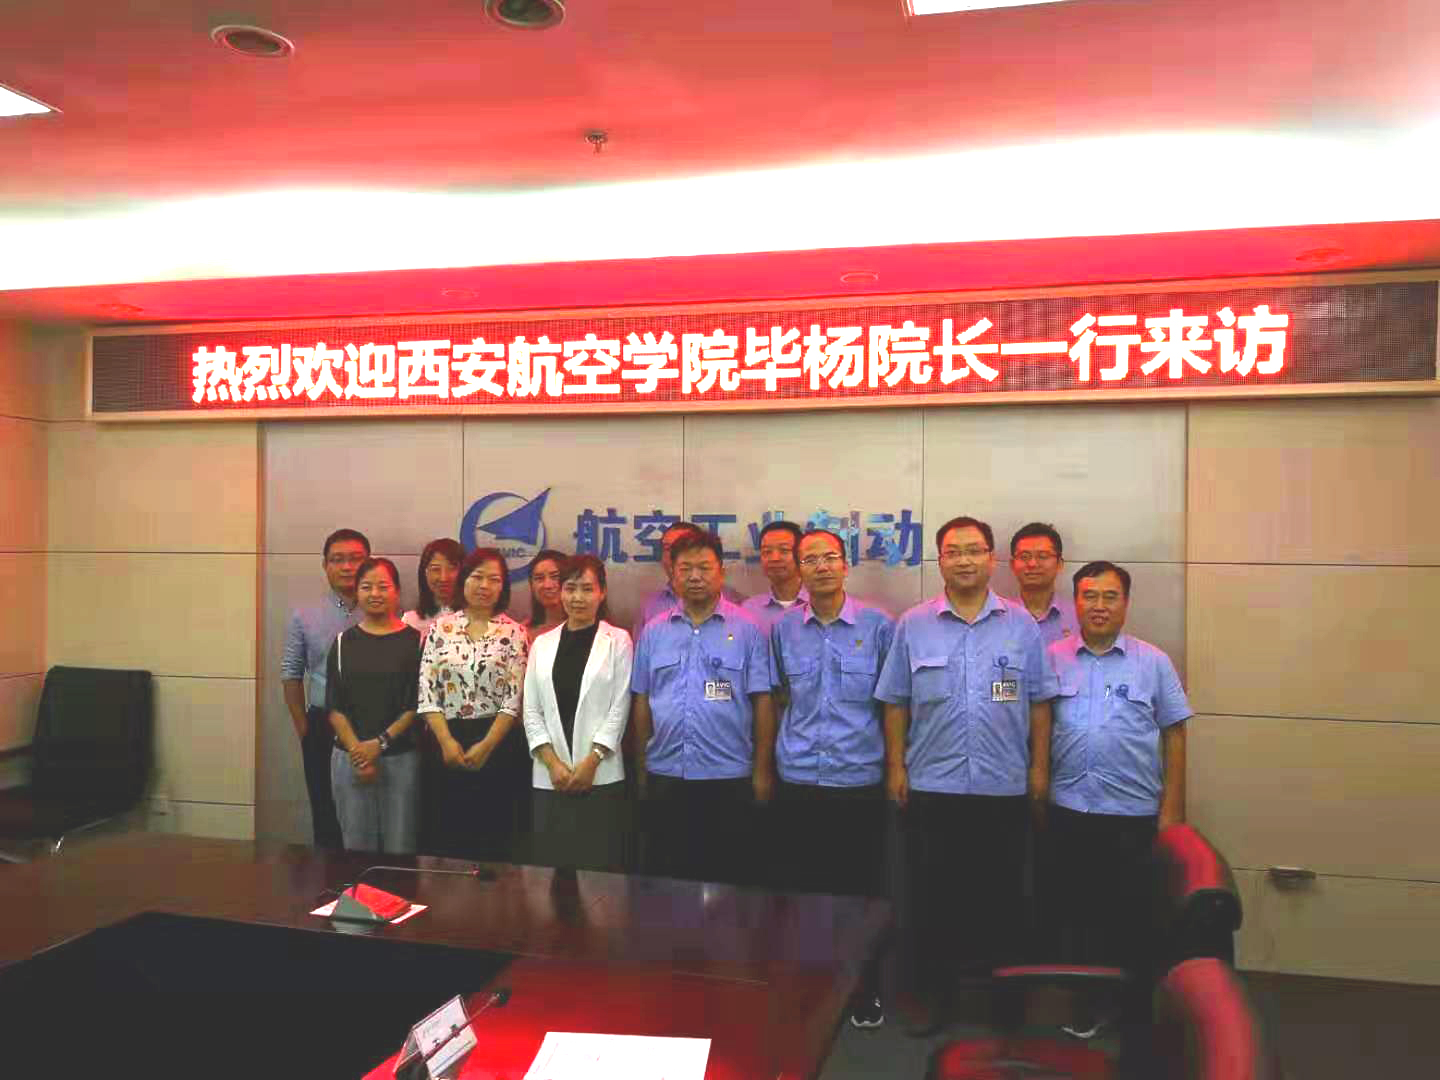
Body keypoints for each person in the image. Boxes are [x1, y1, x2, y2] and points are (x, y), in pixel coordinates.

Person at [875, 515, 1056, 1033]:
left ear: (992, 558)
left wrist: (1039, 768)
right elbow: (895, 701)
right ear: (940, 560)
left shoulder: (1021, 625)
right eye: (953, 551)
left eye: (974, 550)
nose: (964, 560)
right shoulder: (914, 624)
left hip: (1004, 784)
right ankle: (934, 997)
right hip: (934, 785)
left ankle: (1004, 1004)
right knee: (933, 899)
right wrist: (896, 767)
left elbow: (1040, 702)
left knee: (1003, 899)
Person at [771, 527, 894, 1028]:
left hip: (857, 778)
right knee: (801, 891)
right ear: (798, 569)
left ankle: (864, 988)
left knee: (860, 893)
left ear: (846, 565)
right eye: (810, 559)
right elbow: (779, 696)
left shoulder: (879, 626)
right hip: (798, 777)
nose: (821, 567)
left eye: (829, 558)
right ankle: (808, 985)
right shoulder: (784, 629)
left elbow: (892, 704)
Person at [1045, 560, 1191, 973]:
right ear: (1075, 602)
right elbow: (1036, 727)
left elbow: (1175, 734)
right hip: (1068, 809)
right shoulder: (1052, 657)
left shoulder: (1153, 661)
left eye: (1110, 597)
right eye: (1089, 596)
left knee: (1131, 915)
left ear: (1126, 603)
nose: (1099, 606)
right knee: (1074, 913)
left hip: (1132, 813)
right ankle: (1082, 995)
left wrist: (1171, 810)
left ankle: (1133, 997)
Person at [630, 531, 775, 885]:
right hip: (667, 773)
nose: (695, 577)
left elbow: (762, 702)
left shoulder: (748, 629)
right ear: (673, 573)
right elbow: (642, 701)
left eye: (704, 568)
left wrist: (761, 772)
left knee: (727, 878)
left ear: (721, 572)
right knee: (668, 879)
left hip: (728, 776)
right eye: (685, 569)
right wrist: (642, 768)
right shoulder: (654, 631)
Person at [417, 548, 531, 862]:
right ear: (464, 580)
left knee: (494, 836)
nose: (484, 586)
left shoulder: (515, 632)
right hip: (445, 740)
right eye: (477, 577)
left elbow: (514, 698)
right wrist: (446, 741)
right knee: (448, 834)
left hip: (497, 742)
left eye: (494, 579)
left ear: (503, 587)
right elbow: (427, 691)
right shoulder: (440, 629)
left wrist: (487, 745)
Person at [522, 554, 633, 872]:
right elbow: (531, 710)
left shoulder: (618, 640)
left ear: (602, 592)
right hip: (550, 777)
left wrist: (592, 760)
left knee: (600, 871)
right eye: (570, 589)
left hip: (600, 774)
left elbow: (620, 707)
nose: (578, 598)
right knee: (551, 872)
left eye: (587, 589)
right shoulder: (542, 644)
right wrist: (552, 763)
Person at [325, 558, 423, 853]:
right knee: (356, 849)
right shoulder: (342, 643)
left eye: (383, 586)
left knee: (400, 848)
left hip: (400, 758)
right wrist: (359, 752)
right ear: (357, 592)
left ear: (397, 591)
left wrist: (379, 744)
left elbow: (415, 704)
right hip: (350, 758)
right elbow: (335, 707)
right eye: (366, 587)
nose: (375, 594)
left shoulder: (417, 641)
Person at [280, 527, 370, 848]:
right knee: (326, 813)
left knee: (368, 817)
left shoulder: (384, 610)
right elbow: (290, 674)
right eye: (337, 560)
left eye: (356, 559)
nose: (347, 567)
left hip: (372, 728)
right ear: (325, 565)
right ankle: (329, 880)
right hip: (321, 726)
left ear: (369, 562)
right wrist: (305, 730)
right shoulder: (304, 616)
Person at [632, 520, 745, 641]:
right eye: (668, 548)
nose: (674, 554)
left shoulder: (737, 605)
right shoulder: (650, 607)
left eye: (683, 546)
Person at [1008, 522, 1081, 646]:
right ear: (1012, 565)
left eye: (1042, 556)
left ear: (1059, 564)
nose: (1032, 564)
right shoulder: (1000, 617)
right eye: (1024, 556)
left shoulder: (1079, 617)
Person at [741, 520, 808, 632]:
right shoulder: (749, 610)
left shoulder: (818, 604)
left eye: (784, 550)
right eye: (767, 552)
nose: (775, 558)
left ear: (801, 555)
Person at [402, 538, 463, 639]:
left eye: (451, 569)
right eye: (436, 569)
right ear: (424, 572)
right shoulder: (410, 622)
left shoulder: (476, 620)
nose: (443, 578)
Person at [525, 549, 568, 644]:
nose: (547, 585)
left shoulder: (586, 628)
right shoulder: (522, 632)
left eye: (555, 577)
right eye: (539, 578)